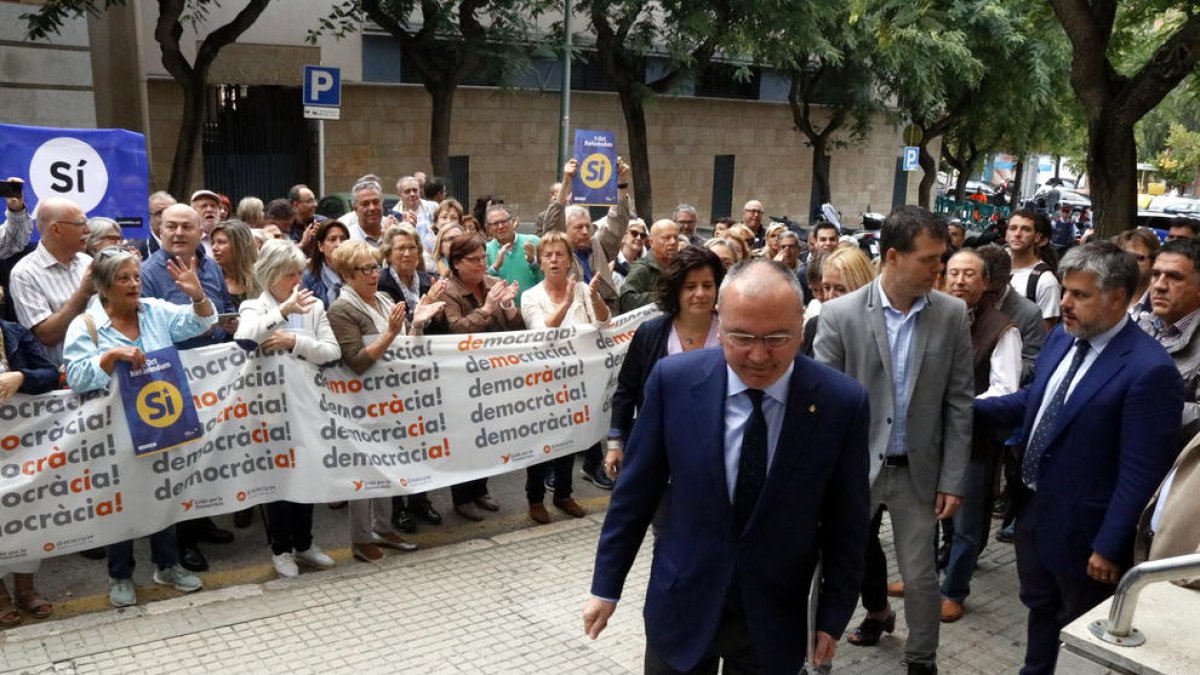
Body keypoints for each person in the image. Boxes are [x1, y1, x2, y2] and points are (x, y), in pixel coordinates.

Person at [583, 259, 871, 674]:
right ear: (720, 323)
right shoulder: (674, 381)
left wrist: (832, 616)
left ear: (802, 326)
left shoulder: (841, 403)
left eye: (776, 337)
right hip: (682, 603)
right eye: (740, 337)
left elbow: (848, 523)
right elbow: (635, 493)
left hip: (775, 617)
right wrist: (606, 586)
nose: (757, 355)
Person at [975, 241, 1184, 675]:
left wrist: (1109, 546)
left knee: (1077, 629)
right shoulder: (1064, 339)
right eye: (1065, 291)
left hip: (1088, 537)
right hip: (1036, 511)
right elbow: (1039, 399)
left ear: (1117, 297)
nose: (1065, 303)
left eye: (1079, 294)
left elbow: (1141, 471)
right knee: (1039, 609)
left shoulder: (1149, 370)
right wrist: (967, 408)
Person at [815, 205, 974, 675]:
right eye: (928, 259)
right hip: (852, 472)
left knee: (922, 578)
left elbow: (959, 403)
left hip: (918, 473)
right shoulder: (841, 314)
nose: (938, 268)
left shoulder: (951, 314)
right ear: (891, 256)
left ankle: (922, 660)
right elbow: (824, 406)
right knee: (831, 569)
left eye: (941, 257)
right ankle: (816, 655)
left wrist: (953, 478)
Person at [62, 246, 217, 607]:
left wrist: (197, 295)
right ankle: (120, 575)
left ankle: (168, 564)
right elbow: (76, 376)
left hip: (161, 426)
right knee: (123, 503)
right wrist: (110, 356)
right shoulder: (86, 325)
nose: (134, 283)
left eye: (135, 276)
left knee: (162, 495)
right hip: (114, 432)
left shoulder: (156, 312)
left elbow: (201, 322)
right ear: (103, 286)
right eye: (123, 278)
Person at [326, 241, 443, 561]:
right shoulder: (341, 310)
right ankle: (360, 539)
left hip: (390, 399)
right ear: (348, 275)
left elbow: (404, 346)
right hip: (360, 403)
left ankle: (382, 527)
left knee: (387, 465)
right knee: (364, 471)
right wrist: (390, 334)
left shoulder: (382, 298)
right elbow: (356, 362)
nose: (374, 274)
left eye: (375, 266)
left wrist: (416, 322)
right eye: (366, 269)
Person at [234, 240, 341, 577]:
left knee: (306, 474)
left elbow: (331, 352)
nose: (298, 281)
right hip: (269, 410)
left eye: (299, 273)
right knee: (278, 480)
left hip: (307, 403)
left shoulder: (314, 306)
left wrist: (295, 341)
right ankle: (281, 549)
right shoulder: (254, 306)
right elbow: (246, 338)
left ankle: (304, 543)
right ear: (270, 276)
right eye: (289, 275)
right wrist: (281, 313)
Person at [938, 248, 1021, 623]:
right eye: (953, 273)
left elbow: (1006, 388)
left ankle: (954, 589)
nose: (959, 280)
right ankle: (928, 576)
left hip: (974, 440)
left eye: (969, 274)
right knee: (931, 513)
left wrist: (955, 407)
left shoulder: (1002, 328)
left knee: (967, 521)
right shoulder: (933, 317)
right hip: (932, 439)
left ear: (985, 282)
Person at [606, 245, 726, 482]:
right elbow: (626, 391)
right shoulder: (651, 333)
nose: (700, 293)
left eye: (708, 285)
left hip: (717, 453)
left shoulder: (731, 334)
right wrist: (614, 444)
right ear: (675, 289)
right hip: (659, 452)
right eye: (690, 286)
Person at [519, 232, 609, 524]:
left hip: (576, 381)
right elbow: (542, 333)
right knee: (541, 443)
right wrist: (567, 302)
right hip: (542, 384)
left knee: (570, 440)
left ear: (570, 261)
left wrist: (594, 299)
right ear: (541, 262)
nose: (554, 260)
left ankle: (563, 493)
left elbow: (603, 322)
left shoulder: (583, 289)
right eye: (548, 255)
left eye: (560, 254)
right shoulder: (530, 296)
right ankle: (535, 498)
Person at [441, 234, 523, 520]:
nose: (481, 265)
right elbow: (456, 330)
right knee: (465, 439)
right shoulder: (447, 291)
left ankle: (480, 489)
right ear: (456, 263)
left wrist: (509, 306)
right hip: (462, 379)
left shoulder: (491, 283)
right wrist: (487, 309)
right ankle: (462, 497)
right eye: (474, 260)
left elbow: (516, 329)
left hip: (493, 375)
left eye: (483, 258)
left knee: (489, 437)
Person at [377, 224, 446, 530]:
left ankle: (420, 499)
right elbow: (392, 326)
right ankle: (397, 507)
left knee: (422, 439)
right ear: (388, 254)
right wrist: (427, 302)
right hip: (393, 374)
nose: (407, 253)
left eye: (413, 248)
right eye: (400, 248)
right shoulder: (381, 284)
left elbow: (438, 325)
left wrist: (432, 304)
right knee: (396, 443)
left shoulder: (428, 279)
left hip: (424, 372)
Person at [0, 317, 60, 626]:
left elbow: (50, 375)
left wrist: (20, 378)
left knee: (25, 509)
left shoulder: (13, 332)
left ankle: (26, 589)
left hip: (19, 443)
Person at [8, 197, 94, 366]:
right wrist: (83, 293)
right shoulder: (25, 273)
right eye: (80, 223)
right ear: (56, 229)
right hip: (60, 382)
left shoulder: (87, 262)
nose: (88, 229)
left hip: (101, 367)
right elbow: (47, 336)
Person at [541, 158, 632, 315]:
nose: (585, 232)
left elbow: (617, 221)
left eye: (587, 227)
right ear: (565, 230)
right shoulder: (558, 250)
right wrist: (566, 182)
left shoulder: (598, 244)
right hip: (572, 315)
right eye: (578, 227)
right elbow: (552, 225)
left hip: (606, 313)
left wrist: (621, 183)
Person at [1138, 237, 1200, 442]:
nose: (1159, 285)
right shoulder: (1141, 326)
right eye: (1155, 274)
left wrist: (1142, 404)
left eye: (1174, 277)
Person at [1006, 209, 1060, 332]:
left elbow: (1045, 335)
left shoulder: (1046, 282)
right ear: (1006, 234)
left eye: (1026, 229)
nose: (1018, 234)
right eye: (1013, 228)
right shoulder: (992, 266)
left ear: (1037, 237)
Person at [484, 204, 541, 306]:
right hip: (504, 313)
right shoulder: (485, 250)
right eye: (495, 224)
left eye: (504, 221)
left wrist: (533, 261)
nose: (500, 227)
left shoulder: (533, 241)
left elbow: (547, 275)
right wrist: (495, 267)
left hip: (535, 308)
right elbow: (482, 284)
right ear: (488, 228)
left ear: (513, 221)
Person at [619, 219, 680, 313]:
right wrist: (662, 296)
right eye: (666, 238)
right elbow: (626, 300)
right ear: (651, 242)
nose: (673, 242)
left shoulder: (680, 266)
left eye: (676, 237)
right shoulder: (642, 268)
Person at [210, 220, 261, 306]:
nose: (214, 248)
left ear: (239, 246)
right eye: (212, 243)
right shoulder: (211, 279)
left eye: (221, 242)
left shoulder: (261, 279)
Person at [302, 220, 350, 308]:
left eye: (343, 239)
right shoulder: (307, 277)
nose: (338, 244)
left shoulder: (358, 269)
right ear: (320, 246)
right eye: (332, 239)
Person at [1114, 227, 1158, 324]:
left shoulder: (1159, 304)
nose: (1130, 262)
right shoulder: (1105, 297)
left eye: (1138, 258)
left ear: (1153, 262)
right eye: (1125, 256)